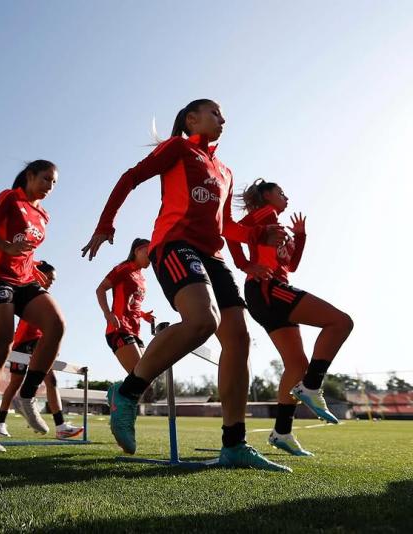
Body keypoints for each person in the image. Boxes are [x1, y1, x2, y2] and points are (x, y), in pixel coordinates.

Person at [81, 99, 291, 472]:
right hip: (174, 245)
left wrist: (261, 232)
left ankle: (234, 444)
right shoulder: (178, 148)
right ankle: (127, 393)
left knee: (239, 338)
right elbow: (130, 178)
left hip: (214, 256)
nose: (222, 119)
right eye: (214, 112)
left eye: (223, 114)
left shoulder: (225, 170)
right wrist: (105, 224)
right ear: (191, 118)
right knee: (202, 321)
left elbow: (227, 227)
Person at [228, 179, 353, 455]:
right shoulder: (264, 215)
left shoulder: (279, 226)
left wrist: (300, 236)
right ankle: (311, 386)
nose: (286, 197)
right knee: (341, 322)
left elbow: (292, 265)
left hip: (273, 291)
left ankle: (282, 432)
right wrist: (246, 264)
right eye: (280, 192)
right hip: (267, 289)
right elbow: (231, 233)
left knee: (297, 363)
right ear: (265, 196)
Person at [0, 160, 65, 452]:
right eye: (46, 179)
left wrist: (31, 265)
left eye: (54, 182)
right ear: (30, 175)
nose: (49, 186)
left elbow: (27, 249)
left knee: (56, 325)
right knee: (0, 348)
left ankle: (27, 395)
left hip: (24, 281)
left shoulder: (43, 215)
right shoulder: (8, 198)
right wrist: (7, 247)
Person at [0, 261, 83, 440]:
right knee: (15, 384)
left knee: (51, 381)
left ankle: (60, 426)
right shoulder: (26, 291)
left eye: (53, 280)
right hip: (22, 343)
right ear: (38, 274)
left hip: (38, 343)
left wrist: (50, 346)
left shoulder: (43, 297)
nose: (51, 281)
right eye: (49, 277)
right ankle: (0, 423)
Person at [95, 238, 155, 375]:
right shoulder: (124, 268)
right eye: (149, 252)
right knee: (141, 378)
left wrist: (143, 315)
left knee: (146, 378)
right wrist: (107, 313)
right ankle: (116, 393)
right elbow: (100, 289)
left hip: (135, 331)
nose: (151, 257)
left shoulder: (142, 278)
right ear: (137, 250)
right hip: (119, 329)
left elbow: (131, 303)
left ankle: (117, 393)